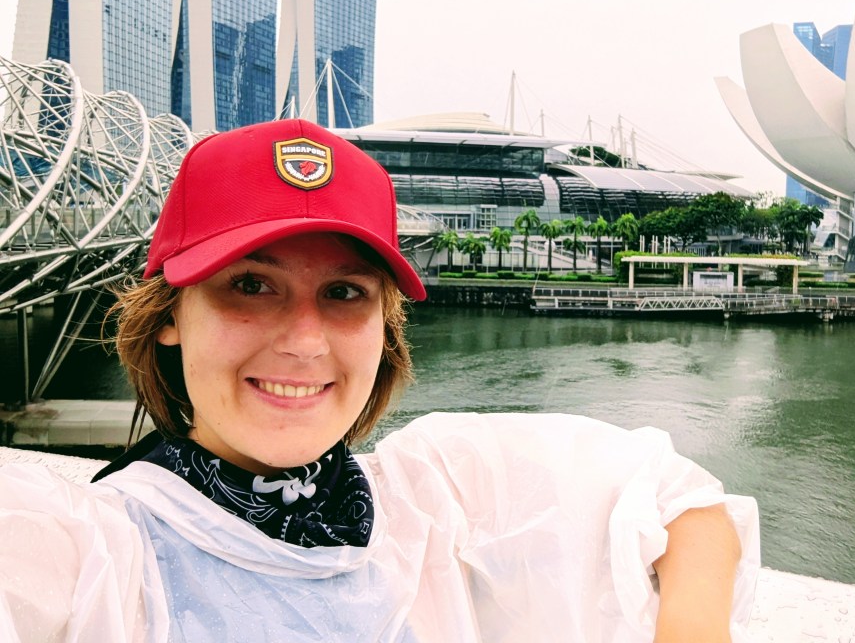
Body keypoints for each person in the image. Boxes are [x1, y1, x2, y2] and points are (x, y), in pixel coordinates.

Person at [0, 118, 759, 642]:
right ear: (170, 311)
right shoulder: (93, 548)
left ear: (384, 326)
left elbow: (676, 501)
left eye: (344, 293)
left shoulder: (433, 498)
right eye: (251, 285)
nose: (305, 342)